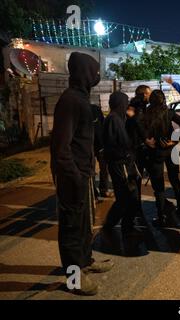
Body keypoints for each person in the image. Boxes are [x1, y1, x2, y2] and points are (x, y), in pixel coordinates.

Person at [50, 52, 113, 296]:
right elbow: (60, 148)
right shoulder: (71, 101)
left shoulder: (81, 98)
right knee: (72, 228)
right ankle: (74, 279)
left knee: (85, 224)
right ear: (85, 73)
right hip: (71, 176)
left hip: (83, 174)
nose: (97, 76)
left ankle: (85, 262)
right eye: (95, 72)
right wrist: (74, 177)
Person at [143, 90, 180, 227]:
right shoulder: (169, 112)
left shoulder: (146, 114)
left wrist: (146, 141)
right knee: (175, 181)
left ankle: (161, 216)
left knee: (159, 187)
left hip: (155, 152)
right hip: (170, 150)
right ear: (163, 100)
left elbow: (142, 132)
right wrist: (174, 141)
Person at [102, 92, 141, 236]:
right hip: (121, 164)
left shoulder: (117, 118)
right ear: (120, 103)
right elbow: (116, 143)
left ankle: (118, 224)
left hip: (122, 163)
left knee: (126, 196)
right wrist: (127, 155)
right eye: (125, 102)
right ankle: (123, 226)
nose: (127, 105)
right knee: (129, 196)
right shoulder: (114, 120)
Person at [91, 103, 112, 199]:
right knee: (92, 170)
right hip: (89, 146)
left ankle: (103, 190)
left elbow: (102, 126)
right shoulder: (80, 110)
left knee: (103, 169)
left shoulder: (95, 109)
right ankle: (94, 192)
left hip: (100, 145)